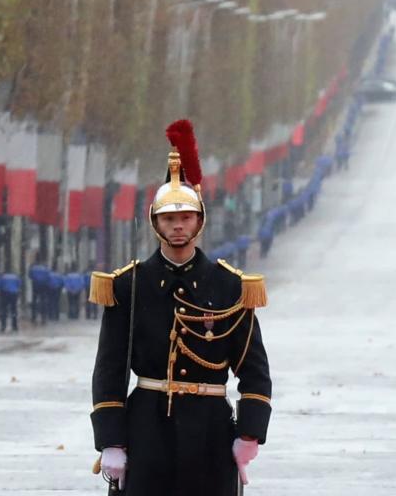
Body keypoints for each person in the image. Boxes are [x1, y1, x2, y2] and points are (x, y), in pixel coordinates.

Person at [89, 119, 272, 494]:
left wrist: (249, 433)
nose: (177, 227)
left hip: (211, 432)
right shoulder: (129, 284)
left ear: (199, 221)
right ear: (156, 223)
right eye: (169, 219)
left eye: (185, 217)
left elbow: (253, 368)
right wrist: (111, 439)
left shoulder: (230, 285)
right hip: (147, 428)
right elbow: (110, 368)